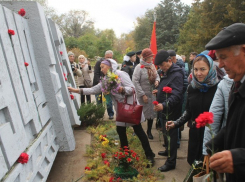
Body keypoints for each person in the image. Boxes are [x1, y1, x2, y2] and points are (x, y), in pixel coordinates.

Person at [68, 59, 155, 167]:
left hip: (130, 109)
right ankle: (125, 158)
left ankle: (150, 155)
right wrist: (75, 90)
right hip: (120, 111)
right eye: (100, 67)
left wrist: (121, 89)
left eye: (103, 67)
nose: (101, 69)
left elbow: (132, 89)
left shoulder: (120, 74)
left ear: (110, 67)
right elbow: (93, 90)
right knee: (121, 132)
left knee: (139, 132)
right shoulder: (106, 80)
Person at [203, 23, 245, 181]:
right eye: (218, 58)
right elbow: (236, 124)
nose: (219, 65)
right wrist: (215, 143)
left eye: (224, 57)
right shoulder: (237, 84)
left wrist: (239, 159)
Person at [166, 54, 219, 166]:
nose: (198, 73)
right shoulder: (192, 87)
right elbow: (189, 111)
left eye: (202, 69)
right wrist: (176, 123)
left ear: (210, 69)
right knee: (194, 165)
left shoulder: (218, 88)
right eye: (195, 69)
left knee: (210, 169)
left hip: (212, 137)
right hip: (195, 133)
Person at [153, 50, 184, 172]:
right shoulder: (166, 72)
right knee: (165, 133)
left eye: (162, 65)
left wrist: (164, 105)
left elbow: (176, 95)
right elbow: (167, 87)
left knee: (171, 135)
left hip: (171, 110)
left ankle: (171, 162)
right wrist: (159, 91)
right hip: (164, 109)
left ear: (169, 61)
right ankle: (167, 150)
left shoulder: (176, 74)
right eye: (159, 66)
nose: (161, 68)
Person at [202, 74, 233, 156]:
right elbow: (213, 117)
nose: (221, 65)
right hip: (228, 141)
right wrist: (208, 149)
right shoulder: (225, 83)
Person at [133, 48, 160, 139]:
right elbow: (135, 82)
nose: (152, 58)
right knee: (139, 113)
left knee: (151, 113)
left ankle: (149, 131)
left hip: (152, 94)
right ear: (145, 58)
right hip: (142, 95)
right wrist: (142, 94)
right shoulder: (139, 67)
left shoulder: (152, 66)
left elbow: (157, 76)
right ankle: (137, 131)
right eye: (150, 57)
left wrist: (157, 81)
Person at [93, 50, 114, 119]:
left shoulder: (112, 64)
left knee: (108, 101)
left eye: (110, 57)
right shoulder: (99, 63)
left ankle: (110, 114)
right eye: (108, 57)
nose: (109, 59)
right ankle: (100, 114)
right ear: (105, 56)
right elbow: (96, 74)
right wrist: (101, 83)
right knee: (99, 100)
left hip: (107, 85)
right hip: (98, 84)